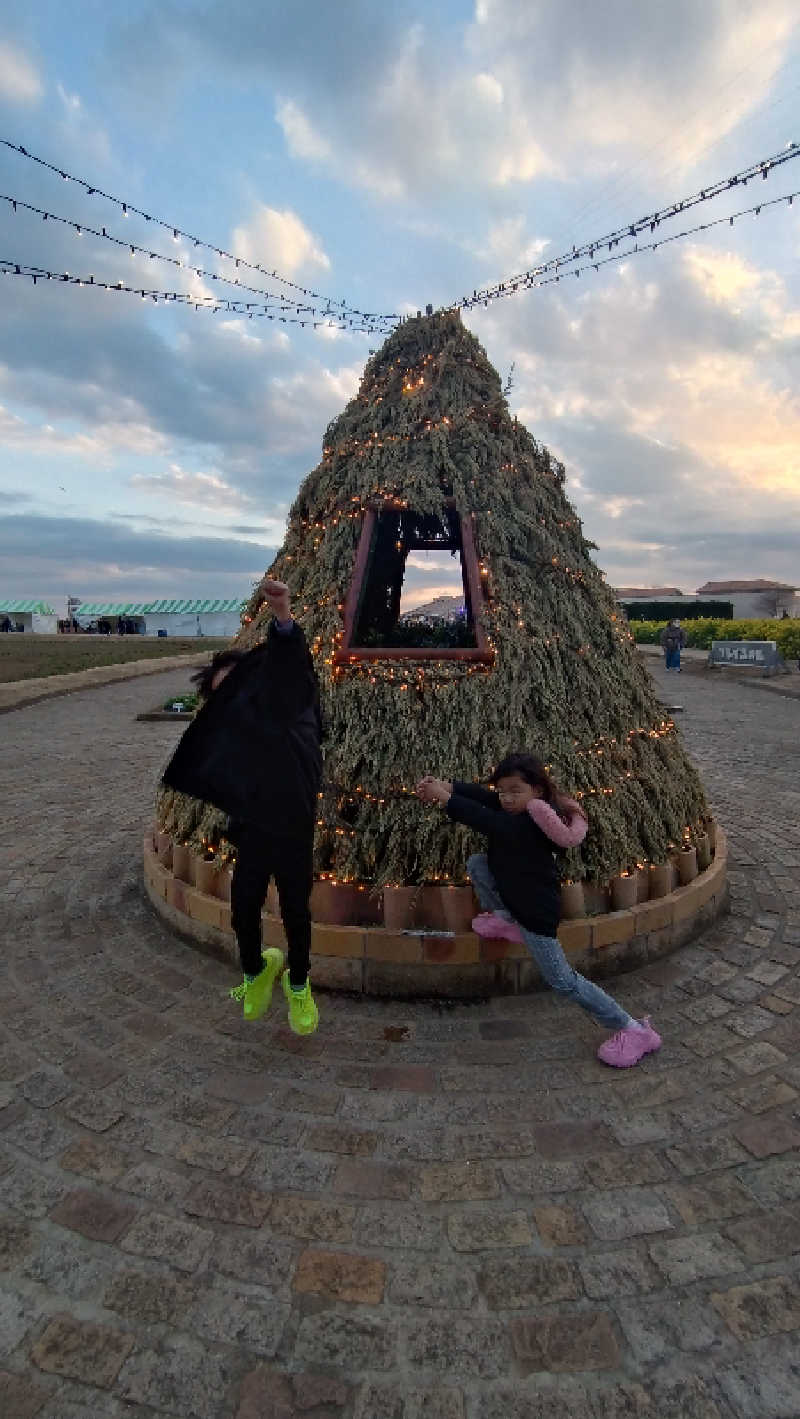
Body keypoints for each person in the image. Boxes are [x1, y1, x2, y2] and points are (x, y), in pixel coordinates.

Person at [416, 752, 661, 1068]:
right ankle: (506, 919)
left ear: (538, 792)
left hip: (535, 915)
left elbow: (483, 817)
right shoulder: (515, 809)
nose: (506, 798)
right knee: (478, 864)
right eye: (503, 790)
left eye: (515, 791)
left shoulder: (529, 823)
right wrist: (450, 786)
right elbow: (486, 799)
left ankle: (633, 1029)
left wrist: (445, 799)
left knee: (563, 981)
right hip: (517, 901)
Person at [162, 577, 322, 1035]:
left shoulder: (290, 704)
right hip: (252, 827)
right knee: (244, 906)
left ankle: (298, 985)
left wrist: (284, 618)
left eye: (237, 687)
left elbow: (292, 667)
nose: (233, 700)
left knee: (295, 910)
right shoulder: (233, 739)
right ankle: (255, 972)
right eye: (222, 696)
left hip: (293, 826)